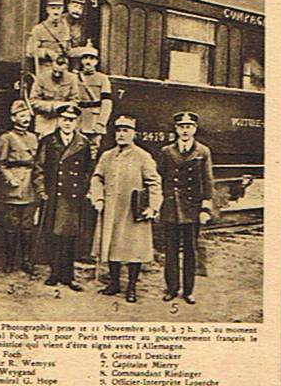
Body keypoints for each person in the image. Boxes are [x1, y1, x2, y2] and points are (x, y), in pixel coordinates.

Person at [89, 115, 163, 303]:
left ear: (133, 134)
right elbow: (97, 178)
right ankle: (114, 283)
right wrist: (98, 198)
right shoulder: (107, 156)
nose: (121, 135)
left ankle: (131, 287)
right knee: (111, 246)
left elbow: (154, 183)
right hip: (111, 210)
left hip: (133, 211)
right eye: (119, 131)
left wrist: (152, 207)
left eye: (126, 131)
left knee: (133, 249)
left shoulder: (142, 156)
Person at [32, 103, 92, 291]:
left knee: (70, 237)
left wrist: (84, 189)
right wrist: (42, 190)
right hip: (53, 195)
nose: (68, 123)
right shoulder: (49, 141)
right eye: (65, 119)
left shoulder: (83, 143)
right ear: (59, 120)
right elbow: (39, 168)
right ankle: (54, 273)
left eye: (72, 120)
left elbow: (88, 171)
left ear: (77, 122)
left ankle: (69, 276)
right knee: (53, 235)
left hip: (73, 197)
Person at [158, 111, 214, 305]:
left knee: (190, 251)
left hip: (192, 208)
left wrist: (205, 208)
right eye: (181, 127)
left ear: (195, 129)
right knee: (171, 251)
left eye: (188, 127)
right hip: (171, 207)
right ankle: (171, 289)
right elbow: (160, 178)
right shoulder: (166, 151)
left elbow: (207, 181)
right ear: (176, 129)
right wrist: (158, 204)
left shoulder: (203, 152)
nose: (185, 130)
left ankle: (188, 291)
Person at [0, 99, 38, 276]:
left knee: (27, 226)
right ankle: (9, 262)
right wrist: (10, 179)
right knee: (11, 226)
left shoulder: (33, 137)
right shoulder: (6, 138)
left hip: (30, 186)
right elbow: (1, 164)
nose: (26, 118)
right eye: (22, 115)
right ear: (14, 118)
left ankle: (26, 261)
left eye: (27, 115)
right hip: (13, 188)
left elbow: (36, 163)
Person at [77, 40, 113, 159]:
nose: (88, 61)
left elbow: (107, 102)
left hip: (94, 118)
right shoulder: (74, 77)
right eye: (85, 58)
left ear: (96, 61)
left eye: (92, 59)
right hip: (78, 118)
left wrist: (101, 122)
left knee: (93, 150)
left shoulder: (102, 79)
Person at [29, 55, 79, 138]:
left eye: (60, 72)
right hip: (45, 120)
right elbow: (33, 101)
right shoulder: (41, 78)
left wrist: (64, 107)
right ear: (52, 66)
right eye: (55, 71)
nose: (56, 74)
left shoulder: (72, 78)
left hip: (64, 119)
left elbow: (75, 100)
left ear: (66, 68)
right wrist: (53, 106)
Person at [26, 0, 71, 76]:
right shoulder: (39, 28)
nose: (56, 12)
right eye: (53, 8)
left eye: (59, 8)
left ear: (62, 9)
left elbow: (68, 49)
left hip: (62, 67)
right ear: (47, 10)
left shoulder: (65, 28)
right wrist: (46, 52)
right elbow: (30, 51)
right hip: (46, 68)